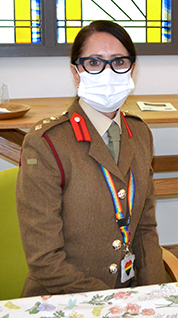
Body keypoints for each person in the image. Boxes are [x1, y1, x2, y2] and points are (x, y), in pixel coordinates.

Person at [16, 20, 165, 296]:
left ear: (132, 68)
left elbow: (145, 229)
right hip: (64, 298)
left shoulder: (140, 134)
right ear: (76, 73)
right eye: (94, 63)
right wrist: (111, 303)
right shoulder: (47, 143)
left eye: (119, 61)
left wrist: (155, 297)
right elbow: (45, 261)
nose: (108, 71)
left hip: (128, 296)